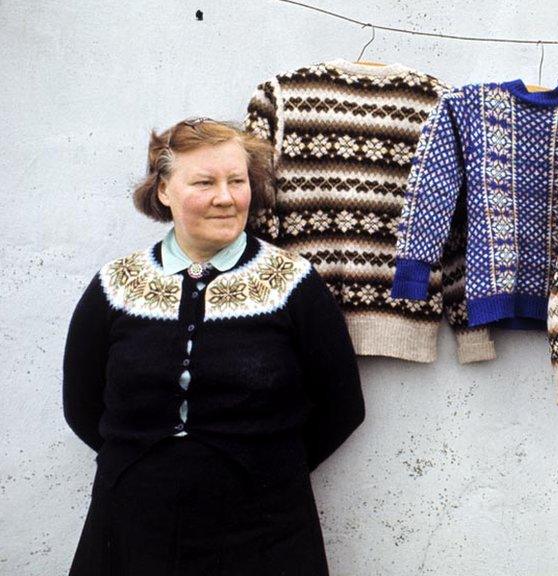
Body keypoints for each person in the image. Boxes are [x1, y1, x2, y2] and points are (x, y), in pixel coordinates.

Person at [62, 117, 365, 575]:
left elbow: (342, 406)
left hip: (265, 529)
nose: (225, 197)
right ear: (164, 190)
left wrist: (267, 468)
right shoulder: (116, 285)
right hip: (132, 523)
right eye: (204, 182)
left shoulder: (292, 284)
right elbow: (81, 405)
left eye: (237, 181)